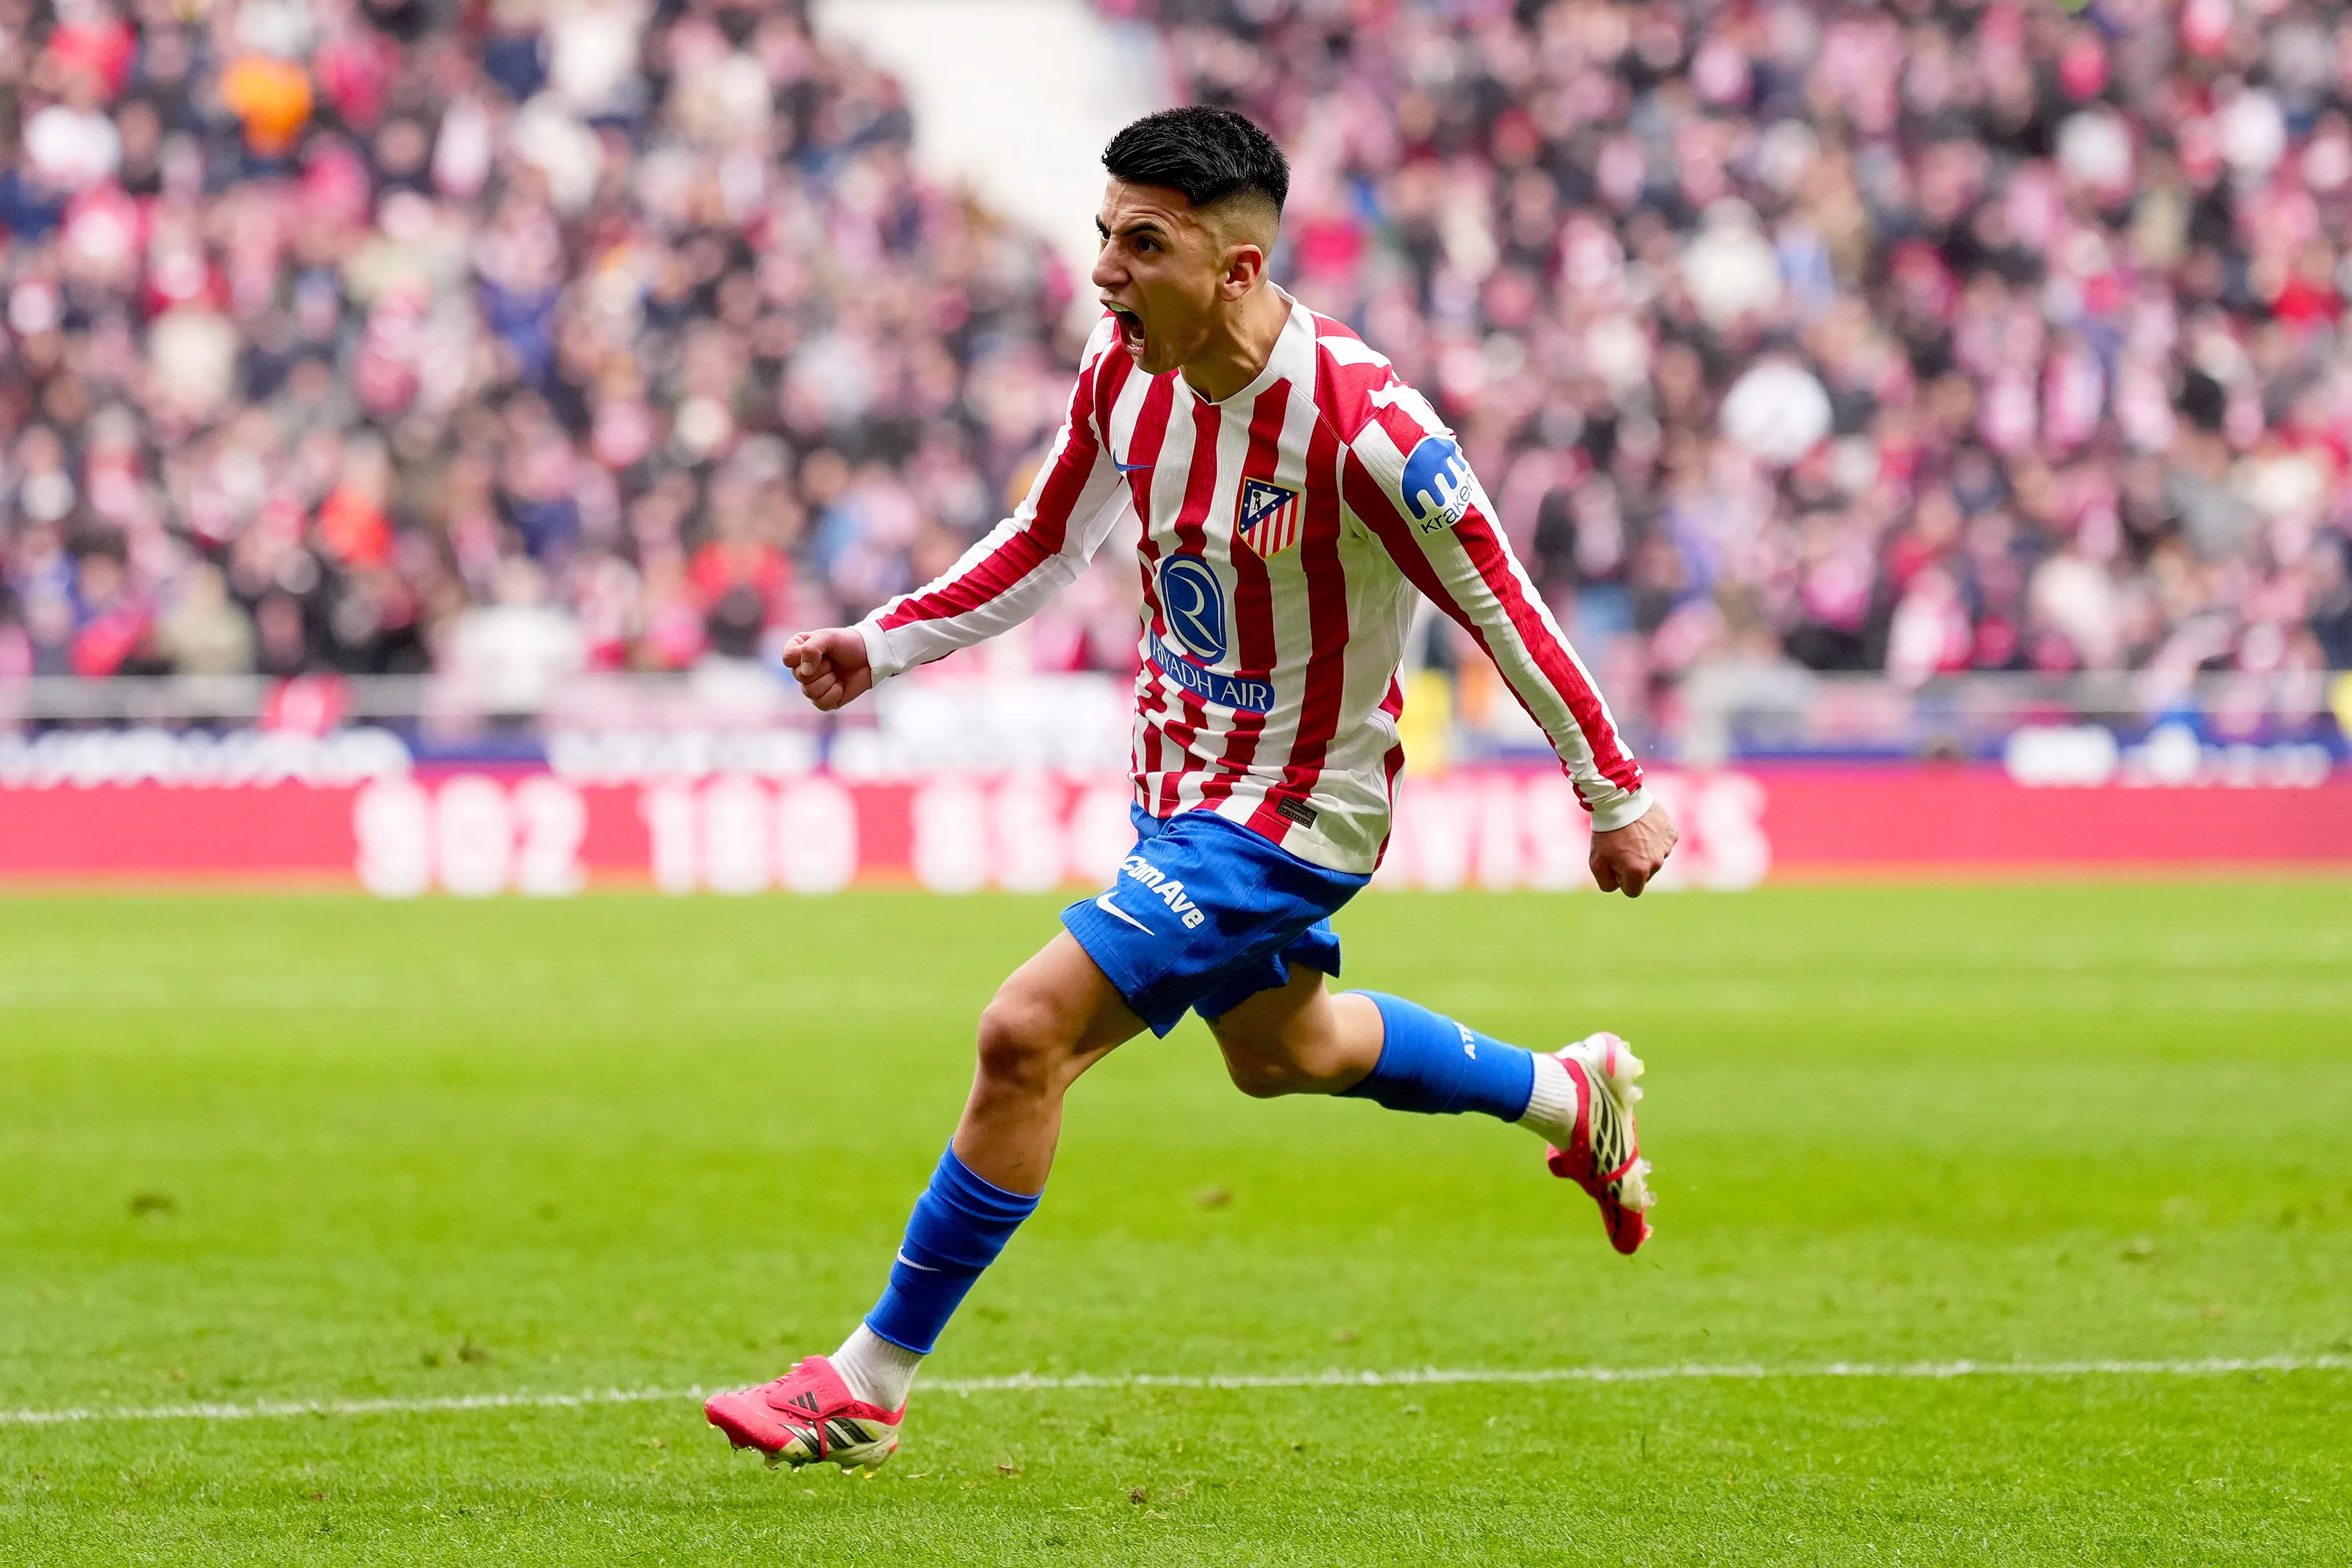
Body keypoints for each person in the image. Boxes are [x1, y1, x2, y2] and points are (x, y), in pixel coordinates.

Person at [703, 107, 1679, 1472]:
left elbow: (1498, 601)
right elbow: (1046, 540)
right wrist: (882, 645)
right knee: (1287, 1053)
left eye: (1140, 243)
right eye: (1102, 232)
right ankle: (1570, 1099)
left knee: (1022, 1033)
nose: (1104, 269)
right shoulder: (1125, 374)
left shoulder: (1368, 427)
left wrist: (1611, 789)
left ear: (1235, 268)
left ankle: (866, 1382)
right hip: (1176, 785)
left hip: (1290, 810)